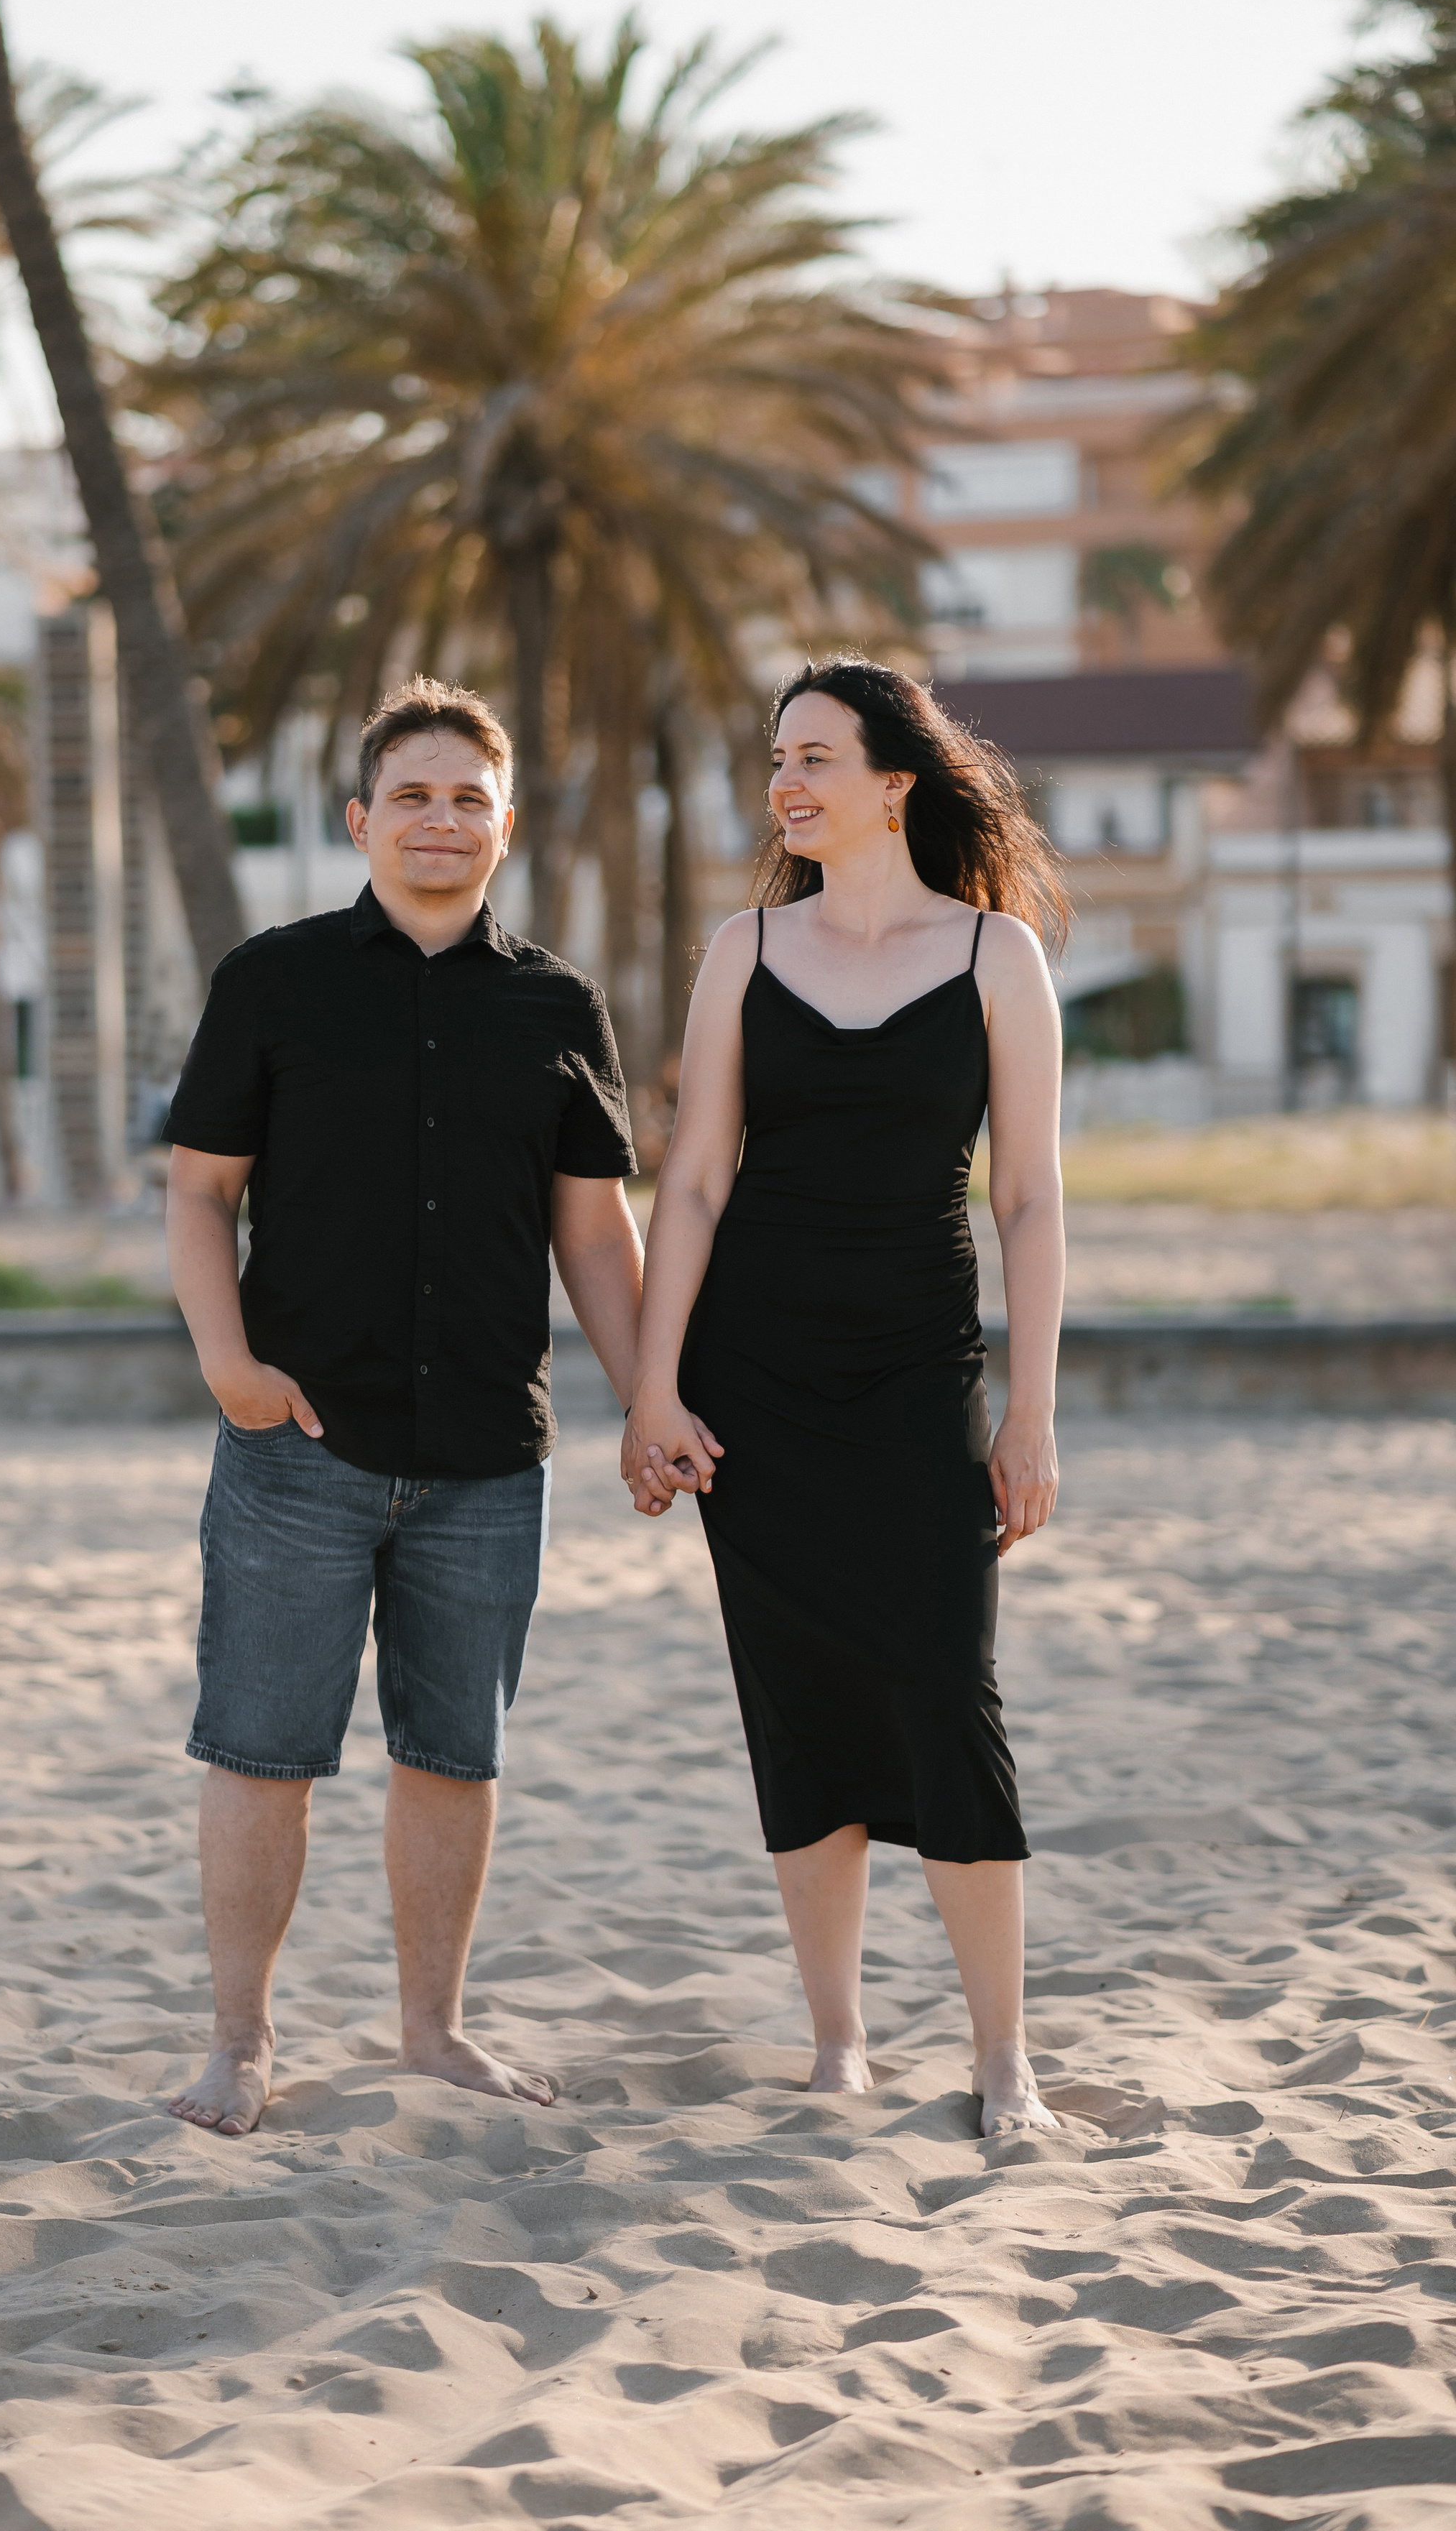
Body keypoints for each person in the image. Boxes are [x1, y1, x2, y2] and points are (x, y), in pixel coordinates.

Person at [162, 678, 643, 2136]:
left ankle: (430, 2030)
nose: (441, 820)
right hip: (296, 1445)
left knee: (453, 1754)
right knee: (260, 1752)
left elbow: (595, 1236)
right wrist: (229, 1367)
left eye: (468, 799)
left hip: (491, 1461)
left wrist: (649, 1401)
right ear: (362, 820)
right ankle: (241, 2040)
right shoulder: (272, 981)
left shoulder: (558, 1006)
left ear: (504, 827)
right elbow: (197, 1193)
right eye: (413, 796)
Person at [623, 655, 1069, 2136]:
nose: (785, 784)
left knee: (946, 1691)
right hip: (756, 1383)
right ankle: (837, 2046)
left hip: (919, 1369)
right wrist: (651, 1387)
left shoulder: (995, 956)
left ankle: (1000, 2057)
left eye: (814, 757)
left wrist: (1028, 1410)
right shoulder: (743, 950)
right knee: (799, 1702)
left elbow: (1028, 1203)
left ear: (895, 780)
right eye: (774, 761)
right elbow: (687, 1182)